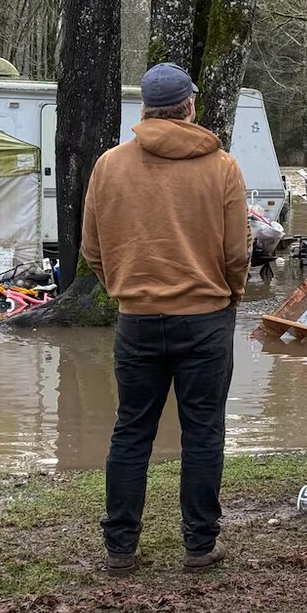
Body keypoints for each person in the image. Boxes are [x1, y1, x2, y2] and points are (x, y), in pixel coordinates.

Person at [82, 62, 250, 576]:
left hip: (136, 320)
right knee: (203, 431)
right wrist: (230, 294)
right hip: (205, 318)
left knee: (131, 431)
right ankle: (199, 547)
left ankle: (120, 549)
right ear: (190, 107)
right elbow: (236, 253)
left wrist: (126, 289)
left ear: (145, 111)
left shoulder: (109, 166)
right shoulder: (222, 166)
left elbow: (92, 249)